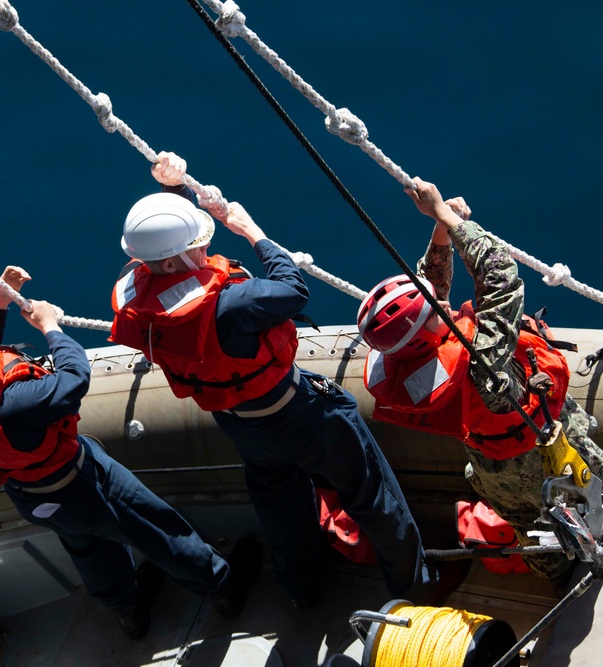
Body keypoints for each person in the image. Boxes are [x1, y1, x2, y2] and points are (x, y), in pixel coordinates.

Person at [109, 152, 443, 608]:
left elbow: (157, 252)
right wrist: (252, 232)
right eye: (196, 246)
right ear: (172, 261)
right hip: (298, 412)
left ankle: (299, 592)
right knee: (370, 491)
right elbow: (293, 289)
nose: (204, 251)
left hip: (239, 423)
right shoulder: (231, 305)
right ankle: (415, 588)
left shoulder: (133, 297)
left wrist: (172, 191)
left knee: (280, 509)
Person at [0, 266, 259, 641]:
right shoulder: (15, 404)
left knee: (88, 548)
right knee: (153, 529)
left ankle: (128, 611)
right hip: (82, 483)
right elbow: (73, 379)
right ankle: (221, 587)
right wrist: (51, 327)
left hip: (30, 495)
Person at [357, 178, 603, 586]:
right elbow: (500, 276)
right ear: (426, 331)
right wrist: (444, 213)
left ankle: (555, 573)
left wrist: (440, 232)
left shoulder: (408, 364)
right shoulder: (484, 360)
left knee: (528, 524)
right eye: (433, 308)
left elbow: (430, 298)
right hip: (544, 452)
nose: (442, 302)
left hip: (490, 466)